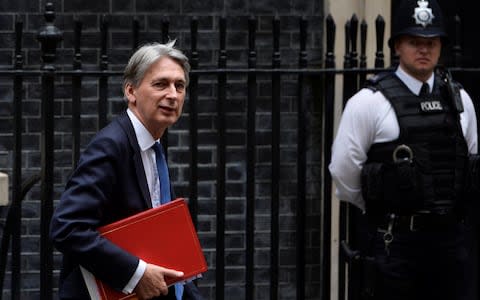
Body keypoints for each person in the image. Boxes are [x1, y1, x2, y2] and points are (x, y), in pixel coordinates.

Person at [329, 0, 478, 299]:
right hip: (395, 243)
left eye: (431, 42)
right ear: (397, 46)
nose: (424, 50)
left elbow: (470, 160)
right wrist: (383, 205)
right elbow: (344, 175)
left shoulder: (460, 100)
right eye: (414, 42)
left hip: (450, 242)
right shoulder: (368, 103)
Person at [50, 41, 204, 300]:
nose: (173, 94)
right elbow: (67, 227)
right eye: (160, 84)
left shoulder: (152, 147)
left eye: (179, 86)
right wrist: (137, 273)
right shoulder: (111, 146)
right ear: (131, 91)